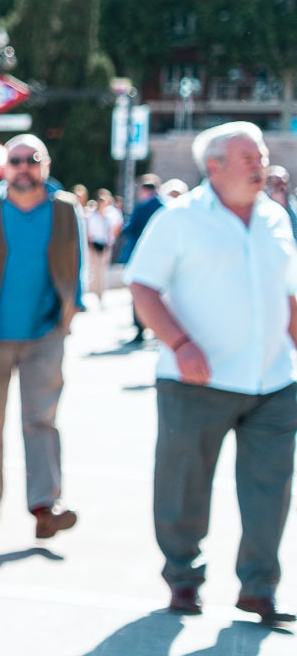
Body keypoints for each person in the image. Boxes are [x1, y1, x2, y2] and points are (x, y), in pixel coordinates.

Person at [127, 122, 297, 623]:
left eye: (261, 156)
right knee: (184, 487)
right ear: (215, 166)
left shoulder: (276, 217)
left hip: (274, 381)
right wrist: (179, 343)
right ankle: (183, 579)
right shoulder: (179, 219)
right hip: (195, 382)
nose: (260, 166)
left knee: (271, 491)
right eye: (249, 158)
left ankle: (259, 588)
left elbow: (289, 294)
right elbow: (142, 286)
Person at [0, 135, 84, 537]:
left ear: (45, 165)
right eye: (15, 160)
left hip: (44, 333)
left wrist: (71, 311)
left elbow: (77, 265)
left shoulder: (66, 208)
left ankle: (45, 505)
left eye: (32, 159)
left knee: (41, 420)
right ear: (5, 167)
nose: (23, 167)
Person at [118, 175, 164, 340]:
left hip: (139, 254)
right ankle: (159, 327)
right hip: (160, 256)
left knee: (139, 291)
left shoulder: (142, 208)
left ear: (145, 190)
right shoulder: (164, 207)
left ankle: (140, 327)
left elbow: (130, 229)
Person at [84, 190, 121, 305]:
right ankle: (94, 292)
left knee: (102, 270)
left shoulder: (109, 216)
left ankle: (101, 293)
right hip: (94, 244)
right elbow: (89, 231)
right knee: (95, 270)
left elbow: (114, 228)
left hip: (105, 245)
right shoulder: (92, 215)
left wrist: (111, 241)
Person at [267, 166, 297, 237]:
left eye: (284, 182)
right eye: (277, 183)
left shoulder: (294, 203)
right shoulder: (264, 208)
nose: (281, 186)